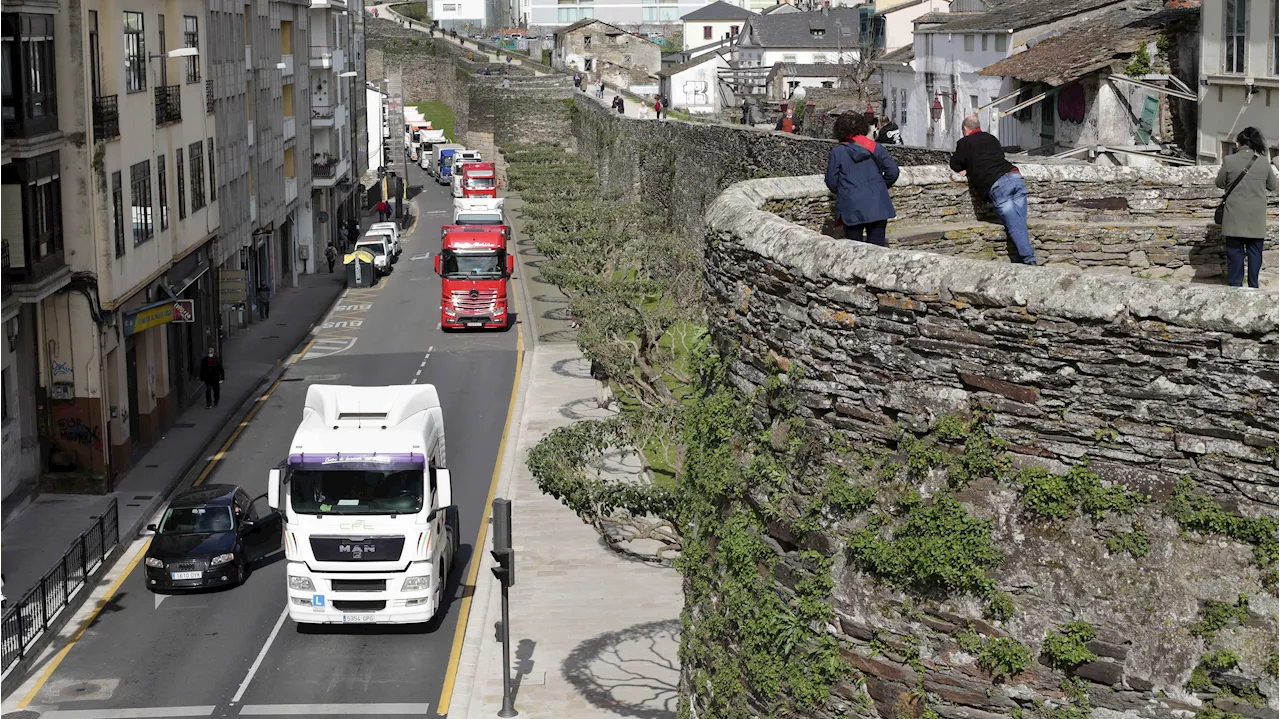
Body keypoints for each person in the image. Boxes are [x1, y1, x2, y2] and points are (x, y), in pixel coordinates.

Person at [950, 115, 1037, 265]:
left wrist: (968, 168)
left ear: (965, 129)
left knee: (1015, 226)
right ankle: (1021, 260)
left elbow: (955, 164)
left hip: (998, 184)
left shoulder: (965, 142)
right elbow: (995, 157)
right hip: (1015, 176)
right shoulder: (992, 138)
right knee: (1018, 223)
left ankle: (1030, 261)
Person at [1216, 126, 1278, 288]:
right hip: (1256, 218)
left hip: (1234, 216)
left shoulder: (1229, 161)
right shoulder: (1263, 162)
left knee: (1235, 254)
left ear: (1239, 144)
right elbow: (1272, 186)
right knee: (1255, 253)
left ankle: (1236, 287)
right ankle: (1253, 286)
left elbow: (1219, 183)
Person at [824, 113, 900, 246]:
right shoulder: (875, 147)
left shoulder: (838, 152)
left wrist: (846, 191)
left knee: (855, 251)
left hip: (851, 205)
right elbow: (893, 172)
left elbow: (831, 181)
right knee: (877, 251)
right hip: (877, 203)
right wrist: (880, 186)